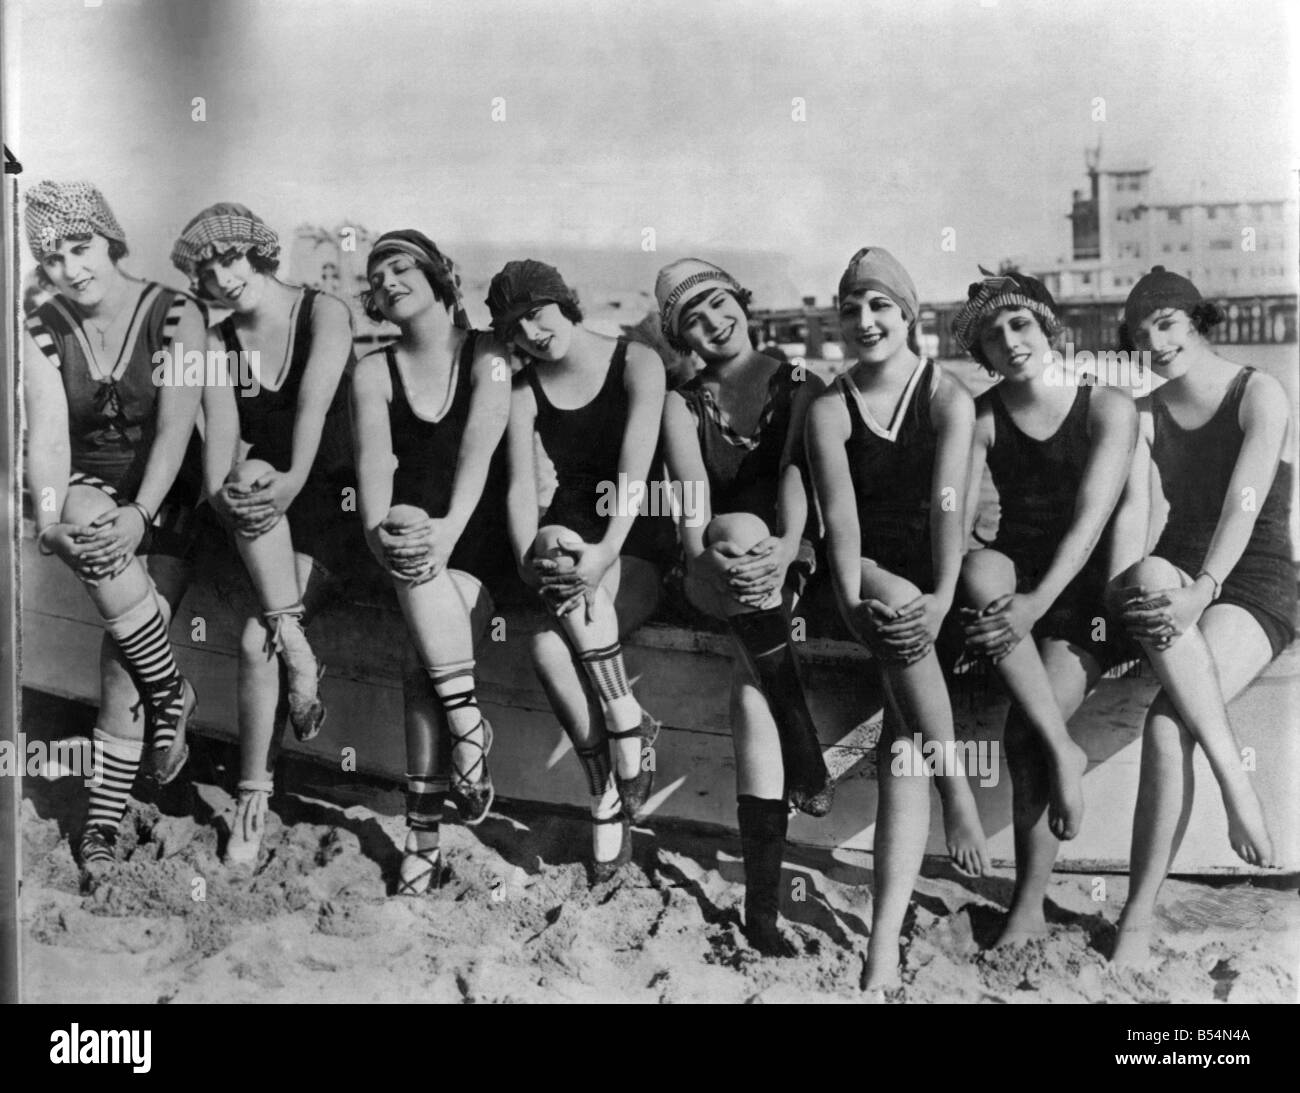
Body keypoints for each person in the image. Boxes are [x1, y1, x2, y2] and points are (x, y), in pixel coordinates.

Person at [806, 246, 989, 991]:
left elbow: (953, 509)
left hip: (932, 580)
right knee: (893, 601)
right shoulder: (829, 405)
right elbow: (841, 525)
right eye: (851, 310)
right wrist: (852, 601)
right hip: (859, 578)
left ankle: (881, 943)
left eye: (880, 305)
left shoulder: (948, 398)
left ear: (909, 315)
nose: (865, 321)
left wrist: (945, 595)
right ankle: (960, 793)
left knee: (901, 742)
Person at [1109, 267, 1292, 966]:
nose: (1155, 342)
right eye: (1140, 333)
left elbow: (1245, 505)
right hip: (1182, 573)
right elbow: (1131, 514)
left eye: (1167, 323)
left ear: (1196, 320)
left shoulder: (1259, 391)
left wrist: (1205, 588)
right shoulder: (1145, 413)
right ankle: (1228, 778)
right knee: (1150, 572)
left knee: (1165, 720)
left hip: (1253, 577)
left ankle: (1136, 912)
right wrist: (1124, 595)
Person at [22, 181, 205, 885]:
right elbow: (49, 440)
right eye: (55, 255)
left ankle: (101, 817)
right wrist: (47, 522)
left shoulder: (176, 312)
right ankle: (172, 696)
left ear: (111, 240)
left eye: (81, 246)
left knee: (127, 649)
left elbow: (175, 428)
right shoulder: (43, 319)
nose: (71, 267)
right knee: (79, 514)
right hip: (90, 493)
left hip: (172, 493)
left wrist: (144, 513)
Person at [950, 269, 1137, 946]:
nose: (1010, 340)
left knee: (1020, 734)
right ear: (983, 355)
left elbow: (1090, 522)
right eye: (994, 336)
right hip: (1016, 580)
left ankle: (1026, 907)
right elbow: (959, 520)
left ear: (1048, 326)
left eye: (1020, 323)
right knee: (976, 566)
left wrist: (1030, 608)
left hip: (1087, 594)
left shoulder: (1108, 405)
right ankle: (1068, 751)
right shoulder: (983, 415)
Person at [172, 203, 358, 867]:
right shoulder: (219, 344)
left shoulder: (324, 313)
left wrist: (287, 479)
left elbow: (312, 414)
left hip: (330, 505)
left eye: (230, 257)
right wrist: (236, 493)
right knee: (245, 471)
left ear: (256, 250)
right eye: (208, 269)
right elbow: (221, 455)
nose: (224, 276)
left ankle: (254, 788)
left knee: (258, 634)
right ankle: (255, 795)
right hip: (255, 522)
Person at [657, 258, 834, 957]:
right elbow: (692, 515)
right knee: (735, 530)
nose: (713, 323)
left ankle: (761, 910)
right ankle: (807, 750)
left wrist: (787, 548)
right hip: (711, 566)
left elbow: (798, 480)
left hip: (788, 567)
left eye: (718, 304)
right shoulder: (682, 403)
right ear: (683, 335)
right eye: (693, 319)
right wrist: (718, 559)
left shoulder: (799, 384)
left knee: (750, 694)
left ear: (740, 297)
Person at [495, 260, 666, 885]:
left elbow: (636, 470)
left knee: (547, 646)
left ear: (563, 303)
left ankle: (624, 725)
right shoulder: (523, 389)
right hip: (569, 535)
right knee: (558, 546)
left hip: (637, 528)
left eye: (538, 313)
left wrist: (606, 552)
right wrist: (524, 563)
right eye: (517, 327)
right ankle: (608, 785)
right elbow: (520, 489)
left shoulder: (637, 362)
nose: (534, 333)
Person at [352, 231, 511, 894]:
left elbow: (477, 459)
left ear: (439, 276)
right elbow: (371, 482)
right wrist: (385, 545)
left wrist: (440, 538)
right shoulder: (371, 371)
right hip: (409, 548)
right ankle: (469, 725)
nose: (389, 280)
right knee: (403, 524)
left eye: (401, 267)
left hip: (479, 541)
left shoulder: (491, 354)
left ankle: (421, 840)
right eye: (378, 275)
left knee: (421, 662)